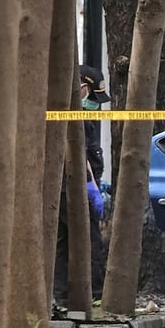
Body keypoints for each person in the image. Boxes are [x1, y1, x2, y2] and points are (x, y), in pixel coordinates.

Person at [54, 65, 110, 303]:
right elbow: (78, 153)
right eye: (93, 97)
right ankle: (94, 293)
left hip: (69, 185)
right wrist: (91, 186)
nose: (95, 104)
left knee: (63, 241)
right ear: (82, 88)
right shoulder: (72, 116)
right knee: (89, 238)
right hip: (75, 186)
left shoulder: (77, 114)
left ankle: (60, 295)